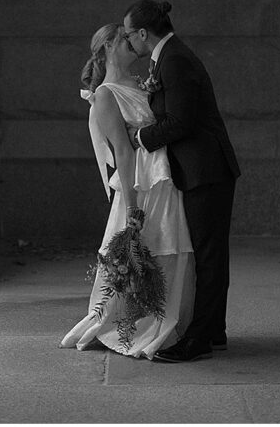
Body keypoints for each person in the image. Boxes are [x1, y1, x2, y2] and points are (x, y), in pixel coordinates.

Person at [60, 23, 195, 360]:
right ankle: (137, 323)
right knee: (146, 247)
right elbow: (122, 150)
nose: (133, 44)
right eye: (124, 38)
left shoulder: (140, 82)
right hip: (142, 180)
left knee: (172, 245)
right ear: (107, 45)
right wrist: (132, 208)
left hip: (165, 174)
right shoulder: (105, 95)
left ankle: (170, 320)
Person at [122, 0, 241, 363]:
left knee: (209, 255)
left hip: (207, 171)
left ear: (143, 33)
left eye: (129, 36)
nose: (128, 44)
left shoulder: (175, 59)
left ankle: (199, 339)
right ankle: (214, 331)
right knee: (210, 254)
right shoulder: (170, 56)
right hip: (203, 169)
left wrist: (140, 139)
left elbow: (182, 121)